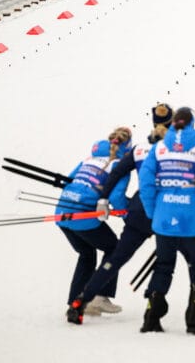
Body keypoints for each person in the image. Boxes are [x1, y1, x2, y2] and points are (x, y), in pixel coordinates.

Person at [137, 107, 195, 335]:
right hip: (191, 220)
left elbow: (145, 183)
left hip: (164, 220)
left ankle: (151, 315)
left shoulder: (158, 149)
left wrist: (152, 212)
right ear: (192, 123)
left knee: (163, 267)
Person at [57, 127, 133, 318]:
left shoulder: (88, 159)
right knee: (114, 248)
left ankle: (77, 301)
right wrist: (128, 215)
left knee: (86, 253)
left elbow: (68, 182)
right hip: (82, 217)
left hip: (61, 212)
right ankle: (100, 296)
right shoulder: (121, 164)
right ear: (128, 146)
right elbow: (116, 196)